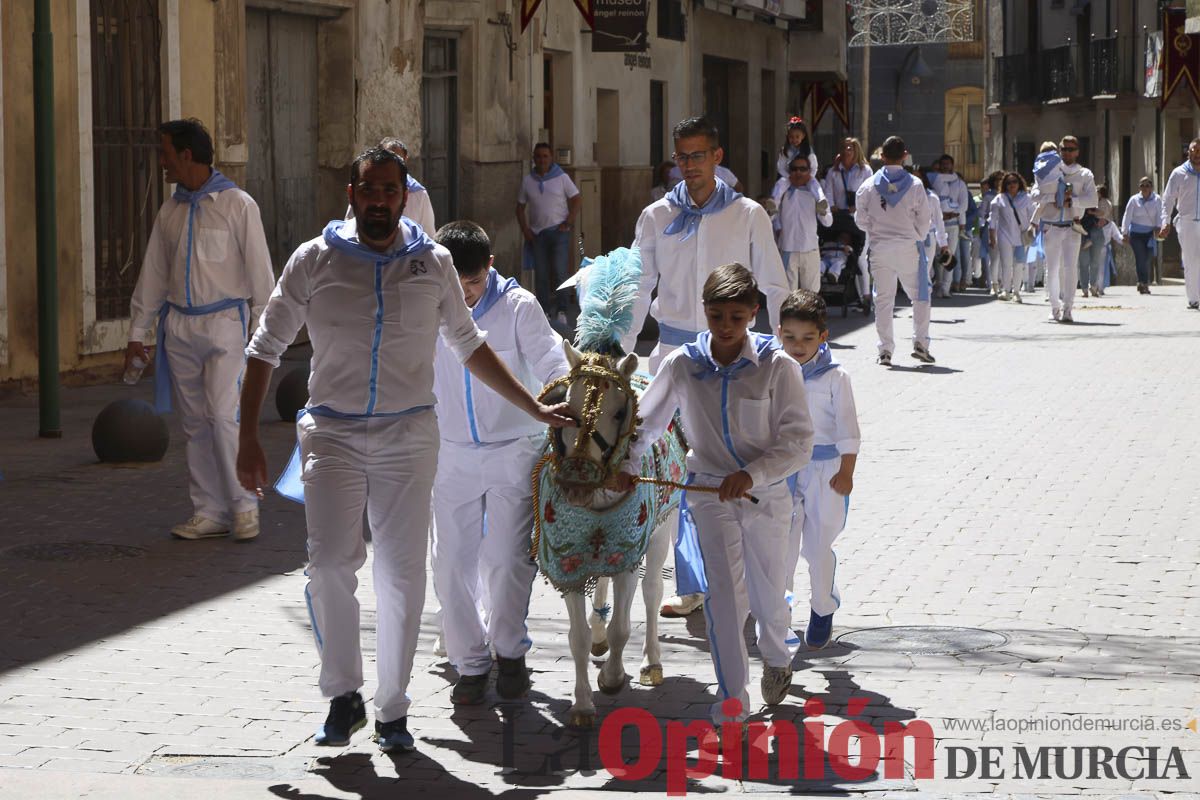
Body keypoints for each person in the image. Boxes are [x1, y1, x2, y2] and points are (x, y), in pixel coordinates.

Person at [236, 147, 570, 753]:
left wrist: (533, 406)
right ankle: (343, 695)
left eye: (391, 191)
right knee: (331, 565)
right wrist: (247, 438)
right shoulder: (314, 261)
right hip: (332, 434)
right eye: (371, 191)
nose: (380, 201)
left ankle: (392, 708)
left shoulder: (433, 262)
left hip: (409, 437)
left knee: (402, 575)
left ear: (403, 195)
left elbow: (469, 346)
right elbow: (264, 348)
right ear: (352, 192)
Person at [615, 263, 813, 723]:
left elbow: (798, 442)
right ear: (704, 311)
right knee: (724, 597)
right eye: (717, 315)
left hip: (768, 499)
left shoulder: (778, 366)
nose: (726, 327)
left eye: (737, 317)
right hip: (707, 495)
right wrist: (626, 466)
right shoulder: (681, 364)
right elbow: (645, 425)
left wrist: (753, 474)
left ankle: (778, 657)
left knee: (768, 598)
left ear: (755, 314)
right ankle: (731, 703)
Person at [623, 116, 790, 619]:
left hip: (737, 359)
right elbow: (636, 285)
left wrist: (784, 359)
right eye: (681, 157)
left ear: (718, 157)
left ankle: (759, 578)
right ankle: (691, 582)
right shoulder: (656, 216)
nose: (689, 166)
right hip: (675, 359)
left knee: (737, 461)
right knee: (678, 466)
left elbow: (774, 286)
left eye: (698, 156)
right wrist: (617, 349)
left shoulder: (747, 215)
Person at [428, 220, 568, 706]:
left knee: (508, 559)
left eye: (473, 282)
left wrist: (563, 395)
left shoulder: (519, 307)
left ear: (490, 267)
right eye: (456, 283)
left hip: (516, 451)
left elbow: (552, 361)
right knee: (449, 564)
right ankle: (469, 661)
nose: (464, 294)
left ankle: (510, 653)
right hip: (452, 454)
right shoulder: (427, 307)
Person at [125, 118, 275, 542]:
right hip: (180, 327)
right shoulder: (170, 211)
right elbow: (154, 274)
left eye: (167, 154)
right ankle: (209, 510)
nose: (163, 162)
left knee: (223, 416)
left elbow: (262, 278)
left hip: (226, 324)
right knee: (194, 422)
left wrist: (263, 338)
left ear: (186, 155)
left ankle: (245, 505)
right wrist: (140, 330)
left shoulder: (238, 205)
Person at [776, 290, 858, 650]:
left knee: (817, 547)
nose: (798, 345)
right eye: (790, 337)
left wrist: (846, 472)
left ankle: (823, 605)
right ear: (779, 333)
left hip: (826, 472)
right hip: (783, 471)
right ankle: (783, 616)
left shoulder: (835, 377)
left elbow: (849, 431)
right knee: (782, 551)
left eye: (808, 338)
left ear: (823, 336)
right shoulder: (773, 370)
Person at [855, 136, 936, 367]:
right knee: (920, 295)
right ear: (905, 155)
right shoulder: (915, 184)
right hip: (908, 246)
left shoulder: (868, 185)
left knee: (883, 299)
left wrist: (876, 231)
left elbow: (860, 220)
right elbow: (925, 219)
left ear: (882, 156)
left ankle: (885, 351)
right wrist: (916, 236)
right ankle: (921, 342)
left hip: (880, 248)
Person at [1031, 135, 1097, 323]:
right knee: (1052, 269)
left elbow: (1093, 200)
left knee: (1070, 268)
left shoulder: (1085, 174)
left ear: (1077, 151)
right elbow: (1034, 194)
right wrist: (1052, 197)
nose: (1067, 153)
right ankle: (1054, 307)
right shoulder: (1048, 169)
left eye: (1071, 149)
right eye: (1064, 149)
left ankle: (1068, 308)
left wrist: (1072, 200)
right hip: (1051, 226)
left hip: (1072, 226)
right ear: (1059, 150)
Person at [516, 143, 582, 324]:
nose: (542, 160)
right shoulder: (528, 181)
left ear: (551, 157)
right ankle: (544, 312)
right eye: (538, 156)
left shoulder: (561, 177)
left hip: (559, 232)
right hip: (537, 236)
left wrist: (569, 221)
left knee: (560, 272)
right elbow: (520, 208)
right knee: (541, 275)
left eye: (545, 156)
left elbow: (576, 199)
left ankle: (562, 310)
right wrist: (525, 230)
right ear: (534, 159)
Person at [344, 138, 435, 234]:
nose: (379, 201)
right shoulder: (363, 189)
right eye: (386, 159)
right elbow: (350, 223)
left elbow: (428, 232)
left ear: (405, 196)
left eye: (390, 190)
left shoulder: (419, 194)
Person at [771, 153, 833, 292]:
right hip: (788, 249)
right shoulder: (783, 192)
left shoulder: (815, 193)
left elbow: (828, 222)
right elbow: (772, 218)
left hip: (810, 249)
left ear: (809, 172)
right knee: (787, 296)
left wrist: (822, 211)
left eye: (803, 169)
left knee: (811, 296)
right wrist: (777, 225)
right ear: (789, 172)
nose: (798, 172)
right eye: (794, 169)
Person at [824, 138, 874, 302]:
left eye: (850, 148)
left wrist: (858, 206)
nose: (847, 151)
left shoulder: (865, 171)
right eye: (844, 148)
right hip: (839, 217)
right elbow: (829, 191)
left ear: (856, 151)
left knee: (859, 257)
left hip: (857, 217)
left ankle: (866, 294)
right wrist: (831, 206)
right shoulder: (834, 172)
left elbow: (870, 192)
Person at [1158, 138, 1200, 310]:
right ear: (1188, 152)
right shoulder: (1178, 173)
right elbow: (1167, 199)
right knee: (1191, 261)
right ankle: (1193, 298)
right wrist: (1165, 221)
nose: (1197, 154)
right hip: (1187, 222)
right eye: (1194, 150)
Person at [927, 155, 971, 295]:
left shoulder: (959, 183)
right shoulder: (935, 180)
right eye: (943, 164)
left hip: (952, 224)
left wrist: (950, 214)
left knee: (949, 255)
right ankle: (938, 285)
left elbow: (964, 205)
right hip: (936, 223)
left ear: (952, 165)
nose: (945, 166)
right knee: (937, 257)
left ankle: (946, 288)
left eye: (948, 164)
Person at [989, 171, 1034, 303]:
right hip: (1004, 235)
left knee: (1019, 264)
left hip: (1022, 236)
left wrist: (1034, 230)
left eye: (1014, 182)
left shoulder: (1027, 198)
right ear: (1004, 185)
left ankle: (1016, 292)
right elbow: (992, 219)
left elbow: (1033, 216)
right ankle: (1005, 290)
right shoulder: (999, 199)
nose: (1012, 185)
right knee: (1006, 264)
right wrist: (992, 236)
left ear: (1019, 183)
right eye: (1008, 183)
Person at [1121, 176, 1161, 294]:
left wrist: (1159, 227)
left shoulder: (1157, 199)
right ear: (1139, 187)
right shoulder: (1134, 200)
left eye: (1147, 185)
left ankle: (1142, 281)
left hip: (1150, 234)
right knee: (1140, 258)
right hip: (1136, 234)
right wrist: (1125, 232)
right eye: (1142, 185)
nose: (1144, 188)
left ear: (1151, 187)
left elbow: (1160, 214)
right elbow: (1127, 216)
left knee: (1148, 259)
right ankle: (1143, 283)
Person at [976, 171, 1004, 294]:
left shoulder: (1009, 195)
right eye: (997, 179)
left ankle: (1005, 284)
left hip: (1007, 229)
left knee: (1007, 259)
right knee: (994, 258)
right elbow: (981, 213)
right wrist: (983, 227)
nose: (999, 181)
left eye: (1001, 179)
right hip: (992, 228)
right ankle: (994, 284)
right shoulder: (988, 196)